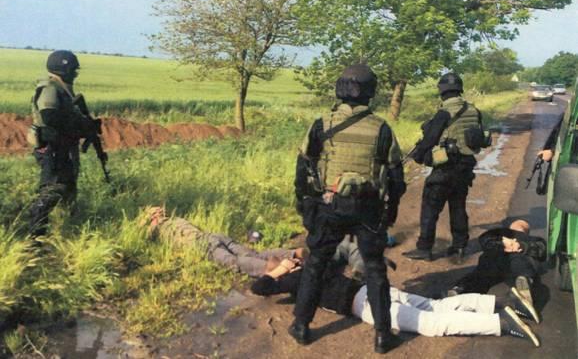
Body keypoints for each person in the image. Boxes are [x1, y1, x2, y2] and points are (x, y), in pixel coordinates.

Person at [291, 64, 406, 353]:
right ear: (370, 92)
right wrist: (390, 211)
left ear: (340, 89)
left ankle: (301, 326)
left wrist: (303, 204)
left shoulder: (321, 124)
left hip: (328, 206)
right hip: (368, 209)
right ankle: (382, 336)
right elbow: (396, 178)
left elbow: (302, 168)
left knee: (316, 264)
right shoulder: (381, 128)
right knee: (375, 269)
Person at [250, 247, 541, 347]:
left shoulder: (297, 278)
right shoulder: (318, 265)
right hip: (374, 291)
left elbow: (259, 288)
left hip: (364, 304)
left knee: (431, 324)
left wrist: (280, 271)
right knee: (434, 306)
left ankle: (500, 322)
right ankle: (501, 304)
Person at [404, 72, 486, 263]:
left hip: (445, 169)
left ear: (442, 91)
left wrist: (418, 155)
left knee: (430, 208)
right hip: (465, 167)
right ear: (459, 89)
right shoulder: (474, 110)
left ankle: (424, 248)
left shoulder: (444, 113)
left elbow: (429, 139)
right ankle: (459, 246)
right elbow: (479, 137)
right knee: (458, 207)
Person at [27, 50, 98, 236]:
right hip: (53, 146)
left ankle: (66, 228)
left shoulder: (62, 89)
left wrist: (85, 126)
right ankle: (35, 235)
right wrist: (76, 125)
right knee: (53, 187)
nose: (75, 74)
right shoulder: (50, 88)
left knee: (67, 187)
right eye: (73, 70)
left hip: (62, 146)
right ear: (63, 69)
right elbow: (49, 116)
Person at [143, 206, 298, 278]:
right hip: (213, 236)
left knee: (233, 261)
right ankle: (291, 254)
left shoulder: (159, 227)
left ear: (153, 218)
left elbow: (145, 233)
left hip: (201, 243)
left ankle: (278, 268)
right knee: (252, 253)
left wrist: (147, 221)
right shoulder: (176, 219)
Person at [447, 219, 546, 325]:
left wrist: (501, 243)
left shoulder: (500, 232)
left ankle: (461, 288)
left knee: (480, 276)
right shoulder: (532, 239)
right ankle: (524, 281)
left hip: (494, 257)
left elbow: (484, 239)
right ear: (526, 231)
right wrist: (521, 246)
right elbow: (542, 251)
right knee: (522, 268)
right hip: (515, 259)